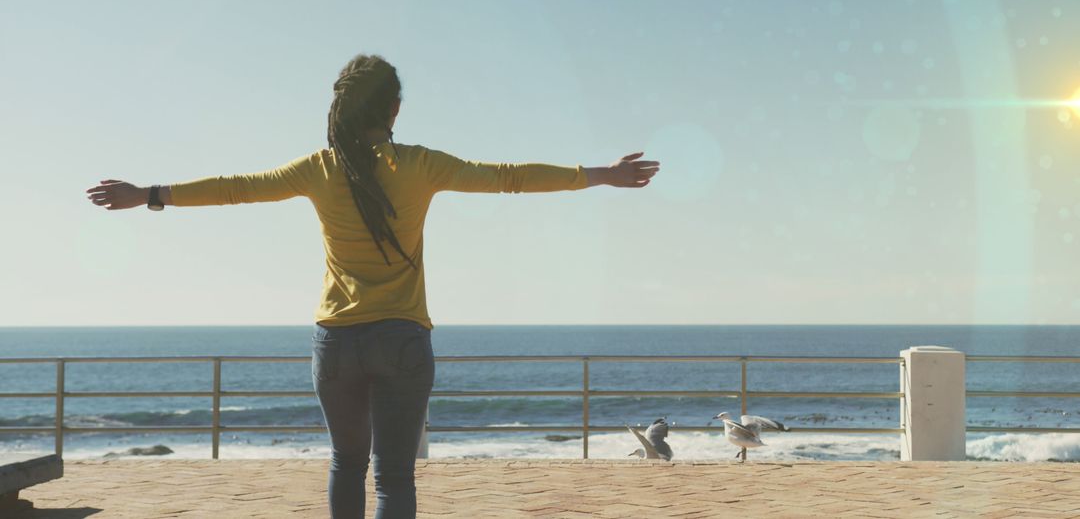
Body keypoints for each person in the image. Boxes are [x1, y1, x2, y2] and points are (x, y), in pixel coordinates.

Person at [85, 53, 660, 519]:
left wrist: (150, 194)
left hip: (337, 342)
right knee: (394, 479)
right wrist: (601, 176)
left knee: (346, 463)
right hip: (404, 340)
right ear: (393, 108)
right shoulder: (418, 163)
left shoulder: (319, 167)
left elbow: (238, 187)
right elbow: (508, 178)